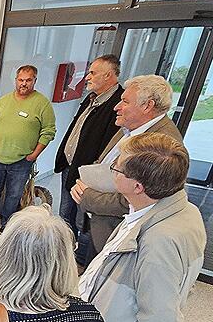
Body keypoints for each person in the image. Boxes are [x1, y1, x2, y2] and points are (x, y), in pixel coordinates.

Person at [63, 133, 206, 322]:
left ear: (137, 186)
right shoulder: (171, 210)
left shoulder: (159, 241)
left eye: (117, 167)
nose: (112, 168)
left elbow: (160, 309)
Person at [70, 75, 183, 260]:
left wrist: (88, 197)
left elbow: (139, 198)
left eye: (125, 101)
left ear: (147, 106)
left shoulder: (162, 145)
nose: (116, 106)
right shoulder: (130, 127)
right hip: (101, 225)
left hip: (118, 234)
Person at [0, 65, 56, 233]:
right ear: (16, 80)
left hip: (21, 160)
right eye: (21, 80)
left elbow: (48, 132)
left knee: (13, 194)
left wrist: (34, 154)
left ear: (35, 81)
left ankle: (7, 222)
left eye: (28, 80)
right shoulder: (4, 101)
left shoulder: (42, 104)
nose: (24, 84)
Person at [53, 55, 123, 236]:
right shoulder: (92, 98)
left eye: (92, 73)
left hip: (89, 175)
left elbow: (109, 147)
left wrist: (92, 171)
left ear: (108, 75)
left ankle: (81, 262)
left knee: (82, 222)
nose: (87, 77)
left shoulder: (117, 106)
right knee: (65, 214)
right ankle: (64, 252)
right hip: (70, 167)